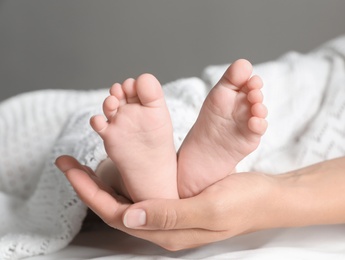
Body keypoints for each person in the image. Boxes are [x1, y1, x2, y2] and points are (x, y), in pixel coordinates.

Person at [87, 59, 267, 202]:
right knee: (113, 143)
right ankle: (149, 181)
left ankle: (131, 181)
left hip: (156, 118)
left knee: (101, 155)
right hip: (171, 118)